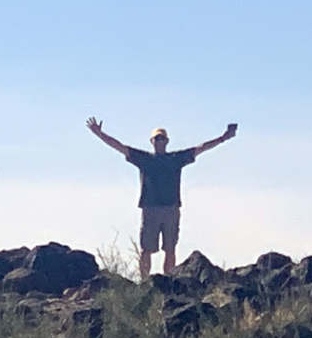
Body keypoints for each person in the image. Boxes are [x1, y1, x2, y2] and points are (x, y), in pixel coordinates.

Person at [86, 117, 236, 278]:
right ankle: (144, 283)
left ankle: (169, 282)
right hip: (150, 209)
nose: (159, 141)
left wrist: (222, 138)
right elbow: (120, 147)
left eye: (162, 138)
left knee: (170, 248)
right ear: (152, 141)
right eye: (157, 138)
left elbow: (201, 148)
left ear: (167, 141)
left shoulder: (175, 159)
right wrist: (100, 134)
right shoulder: (145, 159)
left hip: (171, 208)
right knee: (146, 249)